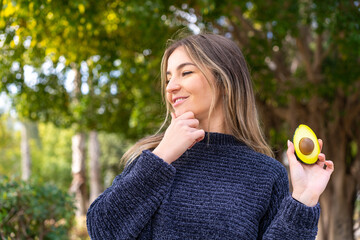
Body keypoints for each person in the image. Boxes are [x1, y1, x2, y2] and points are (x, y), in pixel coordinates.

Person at [86, 32, 334, 239]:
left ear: (223, 81)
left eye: (185, 73)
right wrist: (161, 157)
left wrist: (304, 198)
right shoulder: (153, 160)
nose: (170, 86)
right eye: (168, 77)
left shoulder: (266, 174)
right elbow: (101, 231)